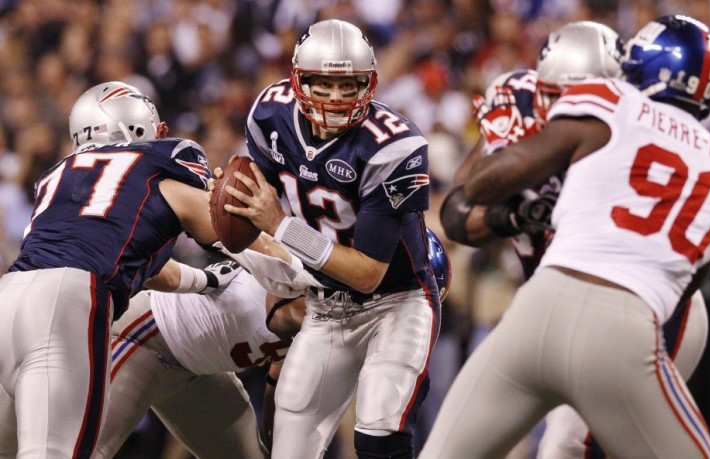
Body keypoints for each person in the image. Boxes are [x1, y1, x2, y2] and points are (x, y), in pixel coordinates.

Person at [422, 14, 710, 458]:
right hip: (633, 309)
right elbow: (457, 216)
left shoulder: (607, 105)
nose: (558, 101)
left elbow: (471, 192)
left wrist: (520, 167)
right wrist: (524, 213)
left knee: (558, 446)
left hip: (586, 305)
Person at [223, 19, 441, 459]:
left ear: (370, 83)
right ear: (299, 80)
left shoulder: (394, 146)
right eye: (324, 85)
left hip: (395, 301)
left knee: (379, 435)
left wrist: (281, 226)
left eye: (350, 85)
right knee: (289, 449)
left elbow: (367, 274)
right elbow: (255, 215)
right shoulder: (269, 114)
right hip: (323, 305)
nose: (338, 98)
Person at [0, 81, 247, 457]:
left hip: (10, 295)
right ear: (134, 126)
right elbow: (218, 225)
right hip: (68, 300)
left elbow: (141, 266)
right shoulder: (159, 159)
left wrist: (205, 279)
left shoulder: (60, 174)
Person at [93, 260, 301, 459]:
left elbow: (278, 384)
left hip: (202, 371)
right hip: (146, 337)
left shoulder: (320, 328)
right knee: (81, 449)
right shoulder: (293, 270)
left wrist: (278, 445)